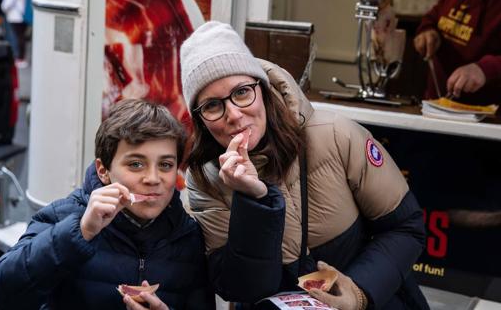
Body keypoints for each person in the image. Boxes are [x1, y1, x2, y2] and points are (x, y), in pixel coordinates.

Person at [179, 21, 428, 309]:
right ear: (199, 119)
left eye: (242, 92)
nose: (233, 114)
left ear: (263, 89)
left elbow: (406, 228)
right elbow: (242, 288)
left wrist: (359, 292)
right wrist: (253, 200)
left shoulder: (336, 135)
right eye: (212, 105)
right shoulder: (204, 179)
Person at [0, 99, 215, 310]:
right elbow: (3, 292)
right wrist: (81, 231)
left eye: (165, 165)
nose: (153, 178)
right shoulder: (63, 216)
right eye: (136, 164)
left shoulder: (187, 235)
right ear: (103, 171)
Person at [1, 0, 31, 68]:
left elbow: (6, 4)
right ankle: (22, 58)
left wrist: (3, 9)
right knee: (22, 37)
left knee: (15, 37)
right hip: (26, 16)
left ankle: (17, 58)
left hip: (14, 17)